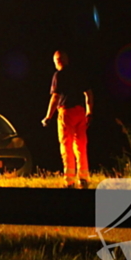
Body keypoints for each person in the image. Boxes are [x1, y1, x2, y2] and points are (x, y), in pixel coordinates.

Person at [41, 50, 93, 188]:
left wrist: (48, 116)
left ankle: (69, 180)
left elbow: (55, 97)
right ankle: (84, 178)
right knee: (81, 145)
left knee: (66, 145)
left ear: (57, 61)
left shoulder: (59, 75)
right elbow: (88, 94)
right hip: (80, 112)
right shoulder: (79, 74)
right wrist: (89, 112)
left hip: (66, 112)